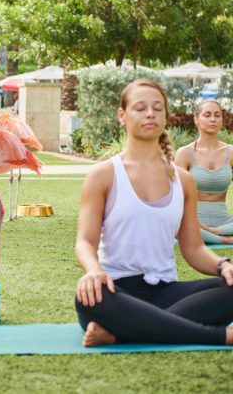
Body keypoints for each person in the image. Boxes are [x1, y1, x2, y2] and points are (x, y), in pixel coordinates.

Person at [75, 79, 233, 347]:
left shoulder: (183, 180)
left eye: (157, 108)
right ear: (122, 116)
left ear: (165, 117)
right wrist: (92, 270)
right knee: (90, 295)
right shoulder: (103, 175)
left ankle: (119, 335)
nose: (150, 114)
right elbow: (84, 241)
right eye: (140, 108)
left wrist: (222, 265)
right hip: (115, 291)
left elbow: (193, 249)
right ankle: (221, 337)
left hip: (166, 291)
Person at [175, 100, 233, 244]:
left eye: (217, 115)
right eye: (207, 115)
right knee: (178, 226)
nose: (213, 119)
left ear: (221, 120)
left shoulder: (231, 152)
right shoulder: (185, 153)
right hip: (192, 219)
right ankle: (225, 241)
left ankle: (215, 234)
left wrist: (216, 229)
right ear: (196, 120)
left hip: (224, 222)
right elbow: (177, 196)